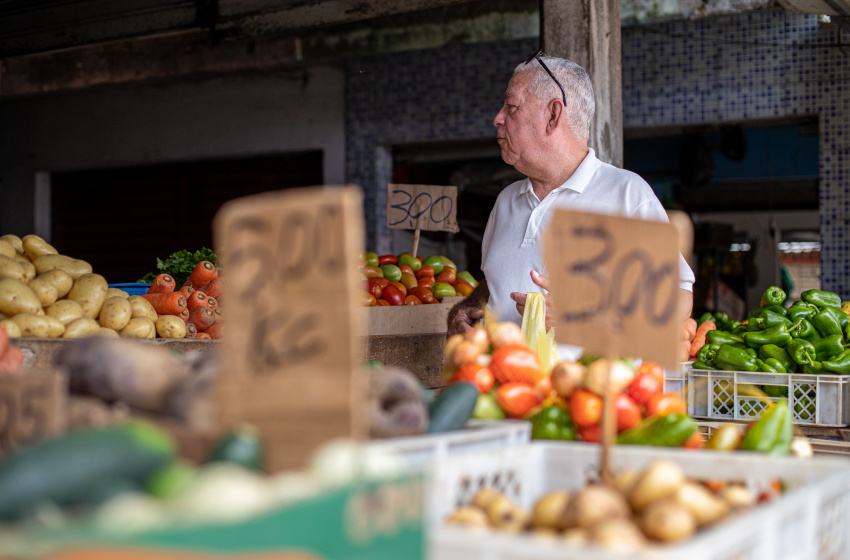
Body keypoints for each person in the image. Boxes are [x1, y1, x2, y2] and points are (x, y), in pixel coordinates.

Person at [447, 53, 695, 336]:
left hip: (587, 380)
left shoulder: (625, 194)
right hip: (507, 378)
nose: (497, 118)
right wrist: (468, 306)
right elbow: (496, 283)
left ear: (553, 115)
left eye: (511, 106)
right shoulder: (506, 201)